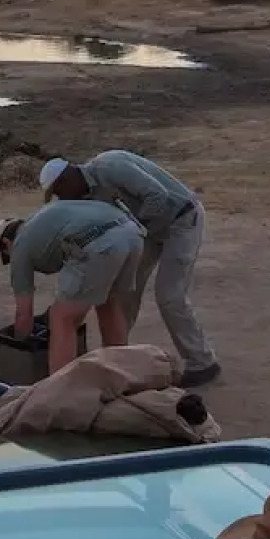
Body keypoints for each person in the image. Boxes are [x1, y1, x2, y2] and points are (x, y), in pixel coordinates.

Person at [39, 151, 221, 387]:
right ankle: (118, 359)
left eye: (57, 191)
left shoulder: (110, 166)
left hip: (182, 219)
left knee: (170, 296)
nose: (60, 197)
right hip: (149, 229)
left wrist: (135, 227)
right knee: (125, 292)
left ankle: (202, 362)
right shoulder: (89, 196)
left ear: (66, 179)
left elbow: (157, 195)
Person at [0, 199, 145, 374]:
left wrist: (19, 346)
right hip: (132, 233)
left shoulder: (20, 244)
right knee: (109, 304)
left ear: (6, 243)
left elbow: (23, 316)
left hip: (100, 242)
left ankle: (62, 390)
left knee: (62, 318)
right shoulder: (41, 221)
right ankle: (120, 373)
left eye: (7, 255)